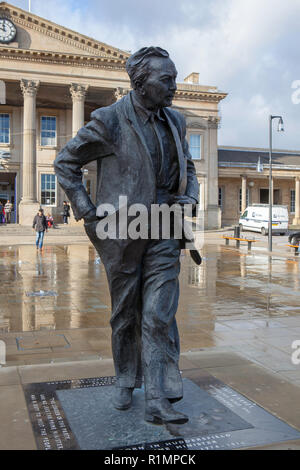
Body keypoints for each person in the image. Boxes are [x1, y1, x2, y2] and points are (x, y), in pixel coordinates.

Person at [54, 47, 200, 425]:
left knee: (157, 314)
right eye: (166, 80)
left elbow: (190, 168)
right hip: (123, 230)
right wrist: (88, 211)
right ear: (141, 83)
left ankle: (158, 396)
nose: (173, 87)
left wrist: (190, 198)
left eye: (174, 77)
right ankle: (124, 379)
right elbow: (66, 163)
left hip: (167, 227)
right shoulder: (110, 120)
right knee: (124, 314)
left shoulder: (177, 121)